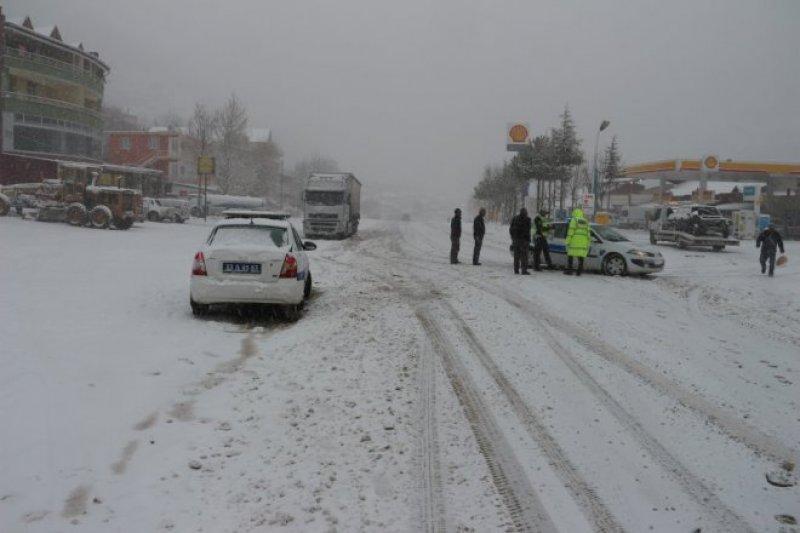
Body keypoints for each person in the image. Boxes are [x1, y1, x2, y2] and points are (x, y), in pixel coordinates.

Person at [564, 207, 590, 275]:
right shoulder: (585, 221)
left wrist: (567, 241)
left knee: (570, 255)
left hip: (574, 242)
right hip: (583, 243)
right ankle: (579, 271)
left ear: (574, 213)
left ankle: (570, 271)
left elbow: (571, 231)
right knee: (581, 257)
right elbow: (588, 233)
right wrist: (588, 242)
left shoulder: (574, 220)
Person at [509, 207, 532, 274]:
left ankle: (516, 270)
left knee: (516, 256)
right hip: (524, 241)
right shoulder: (527, 219)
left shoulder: (515, 218)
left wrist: (513, 238)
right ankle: (524, 270)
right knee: (524, 256)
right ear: (525, 212)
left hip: (516, 240)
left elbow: (511, 229)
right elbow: (528, 230)